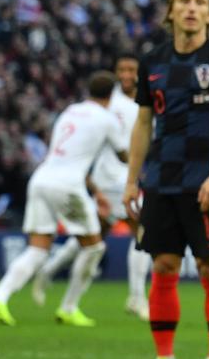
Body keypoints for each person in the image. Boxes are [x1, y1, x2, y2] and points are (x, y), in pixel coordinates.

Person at [124, 0, 209, 359]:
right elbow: (143, 124)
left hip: (205, 181)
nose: (191, 8)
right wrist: (131, 181)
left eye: (199, 2)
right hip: (160, 181)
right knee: (163, 266)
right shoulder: (152, 62)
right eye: (184, 1)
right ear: (171, 10)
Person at [0, 71, 128, 327]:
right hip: (68, 185)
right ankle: (69, 307)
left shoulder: (70, 111)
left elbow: (69, 156)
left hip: (42, 179)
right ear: (112, 95)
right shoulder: (108, 119)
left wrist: (96, 191)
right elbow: (125, 156)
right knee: (94, 246)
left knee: (38, 248)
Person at [30, 53, 152, 319]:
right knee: (143, 230)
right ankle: (137, 297)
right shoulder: (112, 104)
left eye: (132, 69)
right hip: (114, 179)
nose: (127, 75)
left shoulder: (140, 101)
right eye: (122, 69)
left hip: (120, 179)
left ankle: (48, 272)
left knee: (91, 238)